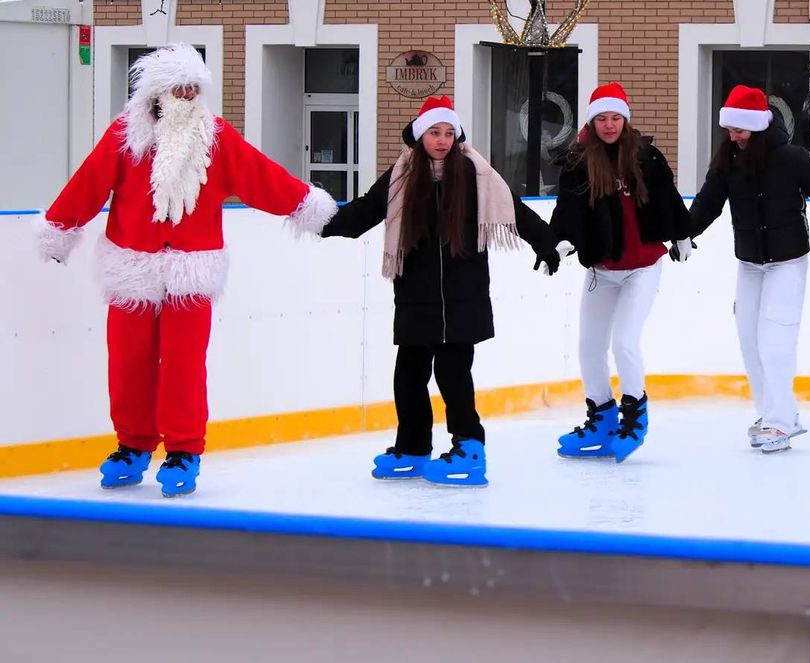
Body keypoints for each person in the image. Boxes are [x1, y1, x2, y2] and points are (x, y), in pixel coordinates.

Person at [35, 44, 337, 497]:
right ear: (156, 93)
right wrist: (59, 228)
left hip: (191, 270)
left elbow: (261, 177)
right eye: (180, 88)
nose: (188, 95)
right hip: (131, 267)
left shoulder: (216, 137)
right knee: (128, 362)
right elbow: (89, 183)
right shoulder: (126, 136)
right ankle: (132, 444)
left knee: (183, 364)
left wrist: (307, 206)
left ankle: (183, 450)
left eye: (194, 88)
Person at [321, 95, 562, 487]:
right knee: (409, 374)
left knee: (452, 373)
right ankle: (414, 447)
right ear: (420, 135)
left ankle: (469, 446)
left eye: (449, 132)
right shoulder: (401, 176)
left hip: (462, 293)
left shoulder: (474, 173)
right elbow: (362, 213)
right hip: (416, 293)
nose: (443, 140)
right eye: (435, 132)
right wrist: (317, 218)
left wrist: (547, 243)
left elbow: (513, 209)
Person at [688, 85, 810, 453]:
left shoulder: (792, 158)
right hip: (749, 262)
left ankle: (781, 422)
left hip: (788, 261)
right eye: (730, 130)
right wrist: (683, 235)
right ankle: (773, 413)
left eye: (740, 130)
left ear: (758, 127)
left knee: (776, 338)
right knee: (749, 338)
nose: (733, 137)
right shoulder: (728, 160)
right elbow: (707, 202)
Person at [550, 82, 692, 463]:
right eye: (602, 118)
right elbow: (569, 210)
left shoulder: (647, 156)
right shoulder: (579, 162)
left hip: (643, 267)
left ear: (625, 120)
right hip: (602, 268)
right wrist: (562, 240)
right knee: (589, 348)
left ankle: (635, 414)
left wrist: (681, 235)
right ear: (592, 122)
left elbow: (667, 198)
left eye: (615, 118)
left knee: (625, 341)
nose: (609, 125)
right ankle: (601, 417)